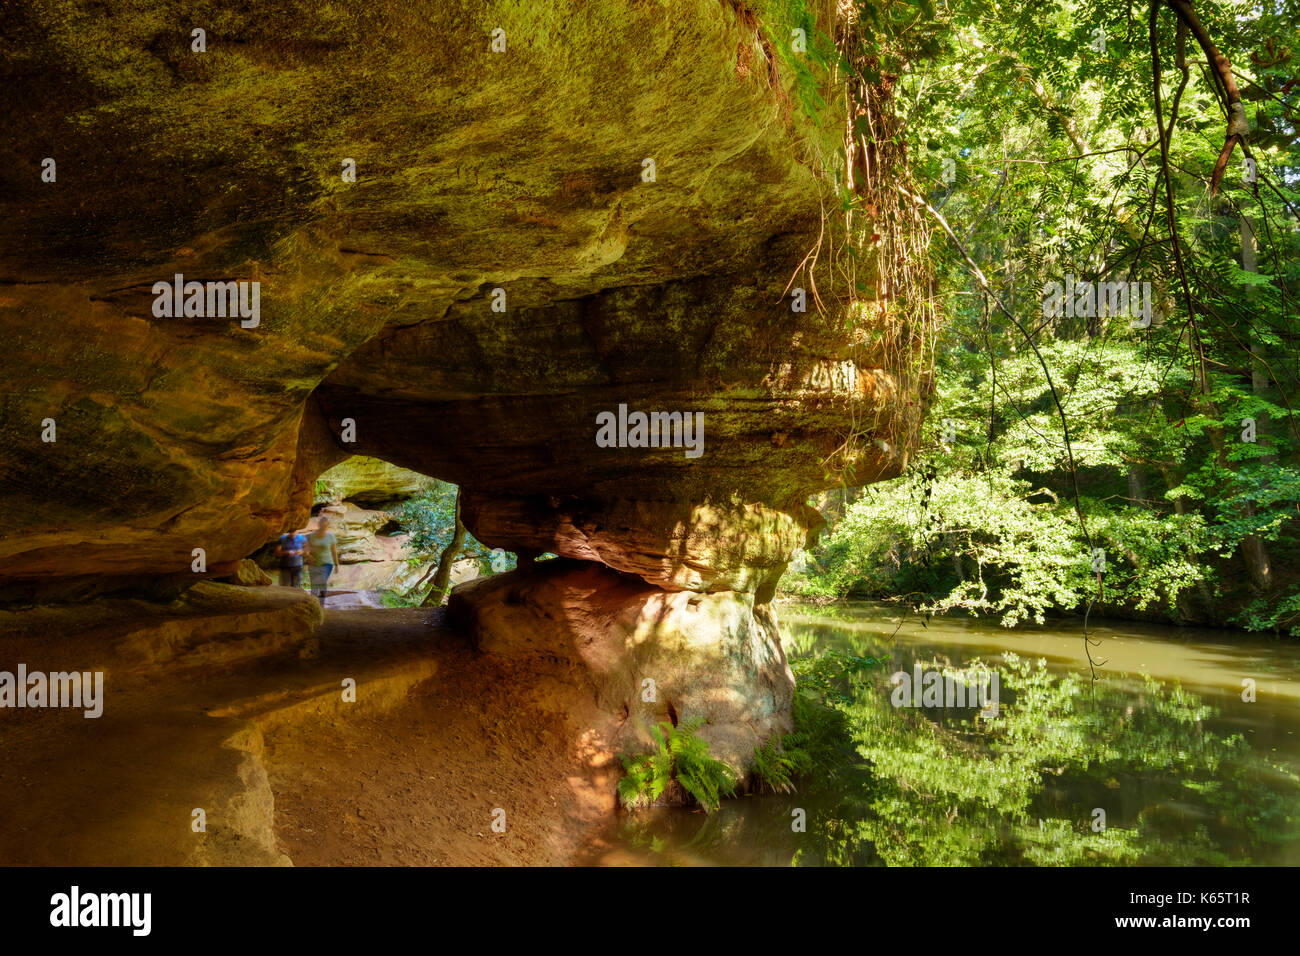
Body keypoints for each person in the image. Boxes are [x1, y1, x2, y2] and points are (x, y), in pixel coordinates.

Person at [305, 516, 340, 604]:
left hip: (327, 563)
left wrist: (336, 564)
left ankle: (321, 604)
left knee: (322, 581)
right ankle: (312, 604)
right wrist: (308, 556)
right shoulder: (311, 536)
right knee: (314, 584)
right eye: (322, 525)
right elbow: (305, 548)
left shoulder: (330, 536)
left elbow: (334, 550)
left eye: (326, 526)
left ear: (327, 526)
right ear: (319, 524)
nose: (324, 527)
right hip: (313, 563)